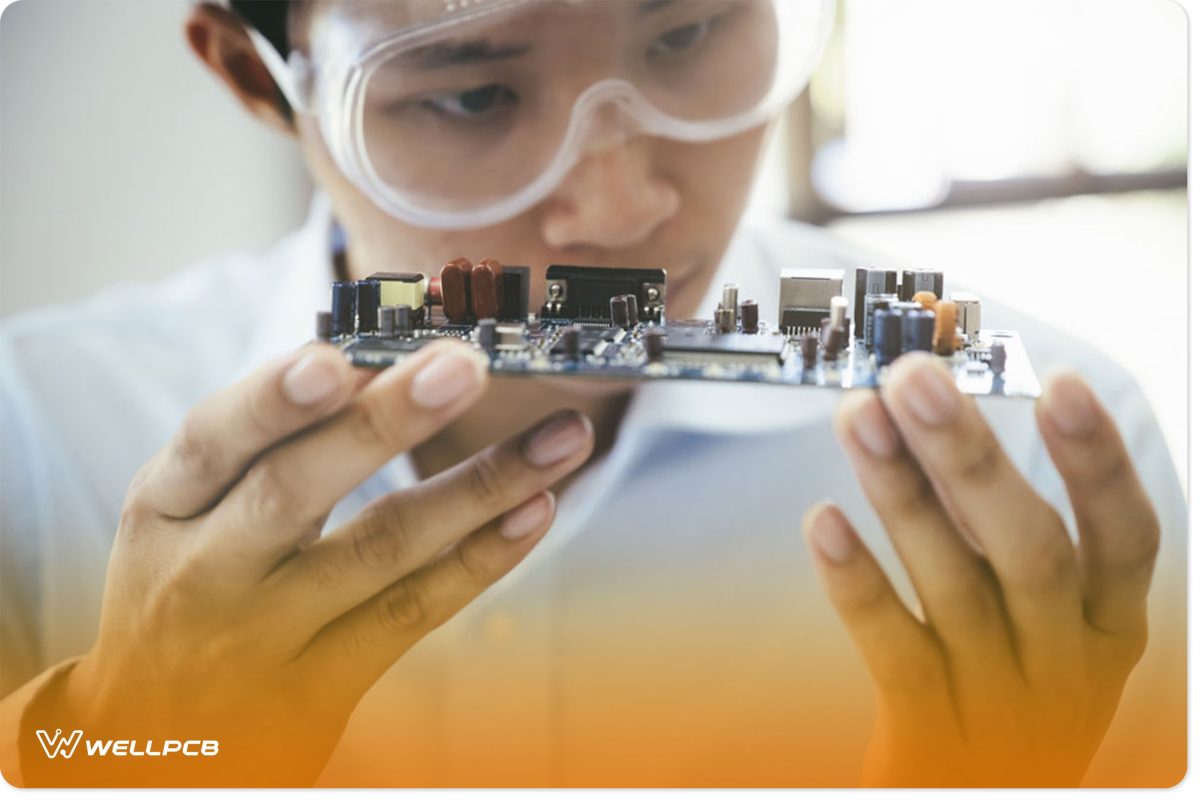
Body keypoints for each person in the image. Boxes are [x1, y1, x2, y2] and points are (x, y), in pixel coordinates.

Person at [0, 0, 1185, 788]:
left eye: (687, 32)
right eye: (471, 96)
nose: (620, 212)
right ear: (257, 79)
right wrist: (120, 742)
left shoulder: (1041, 472)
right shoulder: (35, 435)